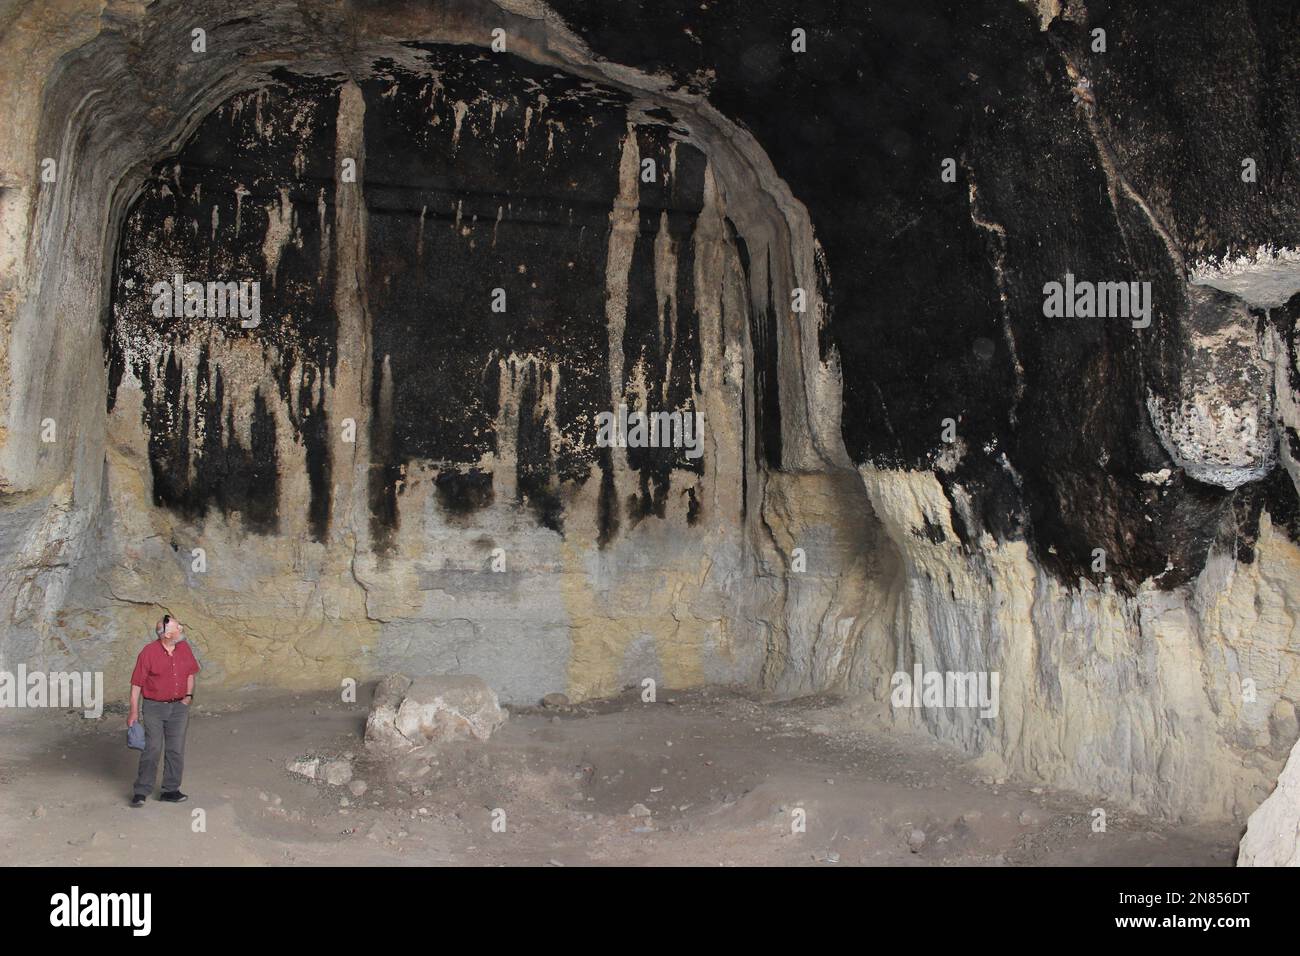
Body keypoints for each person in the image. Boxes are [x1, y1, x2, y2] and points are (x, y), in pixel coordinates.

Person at [127, 614, 200, 807]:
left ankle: (170, 790)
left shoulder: (184, 648)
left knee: (175, 749)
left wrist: (188, 696)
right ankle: (141, 791)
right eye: (178, 628)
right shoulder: (148, 653)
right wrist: (133, 712)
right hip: (154, 707)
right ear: (167, 635)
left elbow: (190, 673)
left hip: (179, 708)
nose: (182, 629)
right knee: (152, 748)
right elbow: (136, 685)